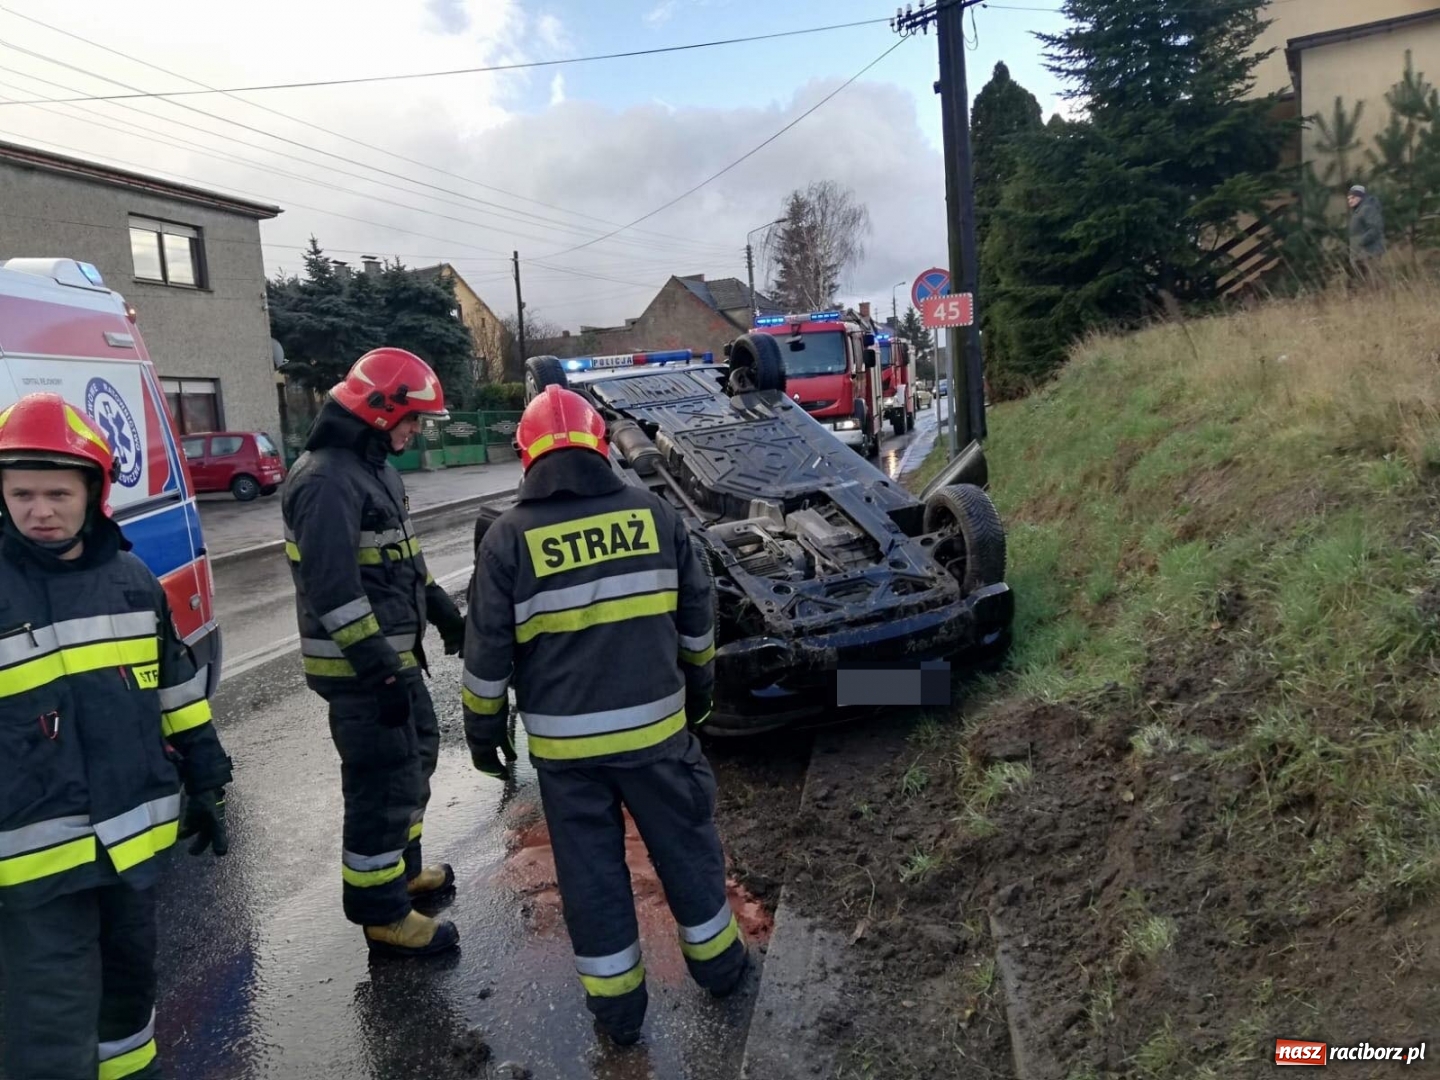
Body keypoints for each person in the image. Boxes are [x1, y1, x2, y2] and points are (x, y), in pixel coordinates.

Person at [461, 384, 747, 1046]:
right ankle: (722, 970)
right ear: (599, 446)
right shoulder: (655, 515)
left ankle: (618, 1018)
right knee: (685, 849)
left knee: (591, 877)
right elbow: (698, 623)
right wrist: (698, 696)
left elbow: (485, 660)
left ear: (526, 457)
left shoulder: (507, 539)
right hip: (658, 737)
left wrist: (484, 735)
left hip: (567, 758)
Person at [0, 393, 233, 1080]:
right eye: (20, 493)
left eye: (56, 493)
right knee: (49, 1030)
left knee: (129, 1006)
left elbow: (176, 691)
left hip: (131, 848)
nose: (39, 510)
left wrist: (207, 774)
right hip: (34, 868)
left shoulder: (133, 582)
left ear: (93, 491)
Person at [282, 347, 467, 958]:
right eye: (413, 419)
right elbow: (332, 589)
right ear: (379, 409)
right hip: (361, 672)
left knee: (414, 762)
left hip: (394, 659)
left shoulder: (373, 468)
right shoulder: (325, 479)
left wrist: (438, 604)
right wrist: (379, 673)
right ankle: (382, 914)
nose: (417, 431)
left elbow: (400, 561)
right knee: (379, 785)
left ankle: (401, 874)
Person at [1348, 184, 1386, 281]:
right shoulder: (1358, 211)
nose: (1350, 201)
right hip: (1361, 253)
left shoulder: (1367, 209)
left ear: (1361, 197)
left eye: (1353, 197)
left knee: (1373, 281)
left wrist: (1361, 242)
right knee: (1364, 283)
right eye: (1348, 199)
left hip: (1369, 252)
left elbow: (1375, 229)